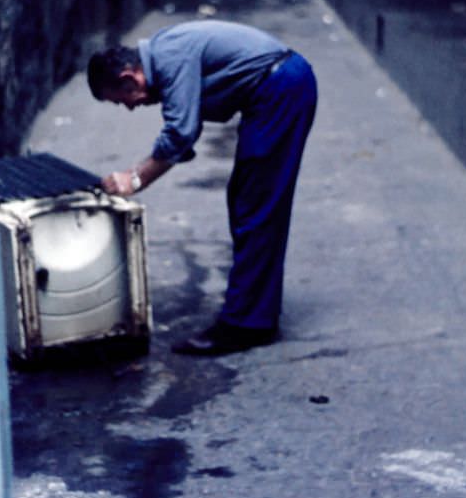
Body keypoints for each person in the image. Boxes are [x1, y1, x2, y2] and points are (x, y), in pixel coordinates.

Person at [87, 19, 317, 356]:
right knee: (248, 200)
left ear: (129, 78)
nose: (131, 107)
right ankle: (257, 313)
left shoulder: (168, 56)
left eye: (123, 100)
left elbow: (181, 132)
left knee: (256, 205)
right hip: (276, 89)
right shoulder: (163, 57)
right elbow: (183, 132)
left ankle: (245, 325)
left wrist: (135, 178)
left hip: (280, 89)